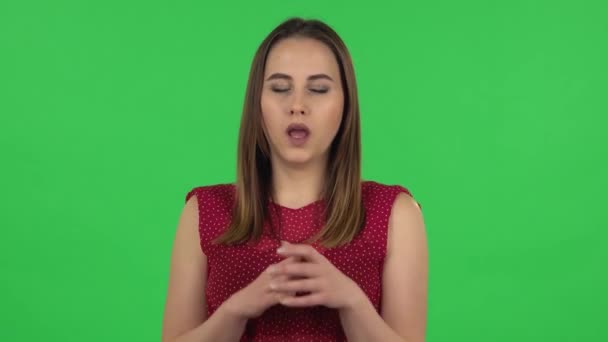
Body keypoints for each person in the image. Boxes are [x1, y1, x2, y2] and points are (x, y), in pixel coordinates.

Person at [162, 17, 428, 342]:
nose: (297, 105)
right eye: (280, 88)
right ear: (256, 105)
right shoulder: (203, 211)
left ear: (346, 105)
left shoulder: (395, 214)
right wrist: (236, 310)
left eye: (318, 89)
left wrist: (351, 302)